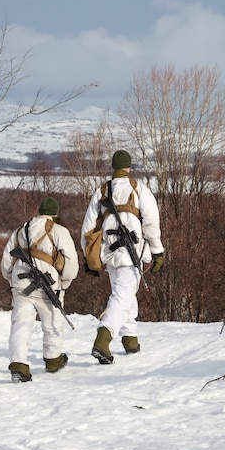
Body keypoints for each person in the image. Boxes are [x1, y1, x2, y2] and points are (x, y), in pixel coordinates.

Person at [80, 149, 164, 364]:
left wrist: (89, 258)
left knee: (124, 294)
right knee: (122, 296)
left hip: (110, 254)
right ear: (128, 167)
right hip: (132, 254)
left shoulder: (101, 191)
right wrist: (157, 251)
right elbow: (151, 224)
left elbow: (88, 229)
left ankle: (130, 339)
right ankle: (103, 338)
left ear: (113, 166)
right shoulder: (139, 190)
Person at [0, 197, 79, 383]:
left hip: (20, 281)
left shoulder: (22, 230)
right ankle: (53, 360)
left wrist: (10, 278)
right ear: (55, 214)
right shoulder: (59, 231)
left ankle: (19, 364)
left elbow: (6, 261)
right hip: (48, 282)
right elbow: (71, 261)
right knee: (52, 321)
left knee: (21, 323)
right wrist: (65, 282)